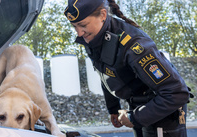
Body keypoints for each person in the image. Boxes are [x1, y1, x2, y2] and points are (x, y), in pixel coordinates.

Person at [64, 0, 193, 137]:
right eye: (74, 27)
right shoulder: (94, 39)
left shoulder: (134, 45)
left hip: (163, 110)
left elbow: (176, 93)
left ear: (103, 15)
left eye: (83, 25)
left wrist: (135, 118)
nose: (79, 33)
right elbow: (106, 73)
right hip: (138, 105)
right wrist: (113, 108)